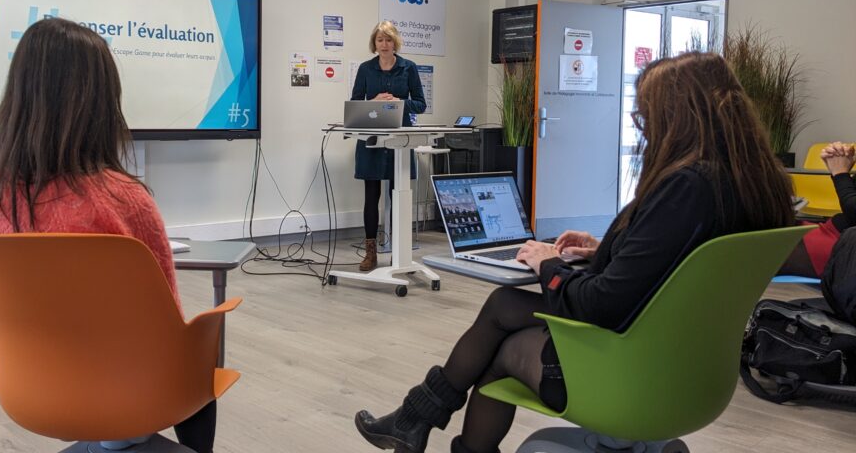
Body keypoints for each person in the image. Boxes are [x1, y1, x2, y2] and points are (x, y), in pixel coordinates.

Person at [354, 52, 795, 453]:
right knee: (504, 302)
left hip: (627, 367)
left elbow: (601, 305)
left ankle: (421, 423)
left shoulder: (686, 186)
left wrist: (547, 262)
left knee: (499, 348)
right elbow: (686, 259)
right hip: (691, 369)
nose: (645, 131)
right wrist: (607, 247)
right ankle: (414, 420)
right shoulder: (757, 185)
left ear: (678, 118)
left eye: (647, 119)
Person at [0, 17, 215, 453]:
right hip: (135, 394)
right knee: (205, 349)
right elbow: (165, 317)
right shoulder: (123, 198)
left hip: (30, 391)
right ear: (102, 102)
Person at [351, 20, 426, 271]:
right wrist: (373, 101)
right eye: (380, 40)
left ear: (396, 43)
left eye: (389, 39)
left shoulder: (409, 68)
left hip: (400, 142)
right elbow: (354, 105)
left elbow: (421, 104)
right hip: (372, 141)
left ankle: (398, 252)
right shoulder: (365, 69)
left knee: (399, 196)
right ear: (374, 43)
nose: (384, 44)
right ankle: (371, 253)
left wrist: (398, 101)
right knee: (371, 197)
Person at [780, 141, 856, 277]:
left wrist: (840, 173)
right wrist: (843, 163)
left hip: (844, 247)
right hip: (833, 232)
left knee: (760, 250)